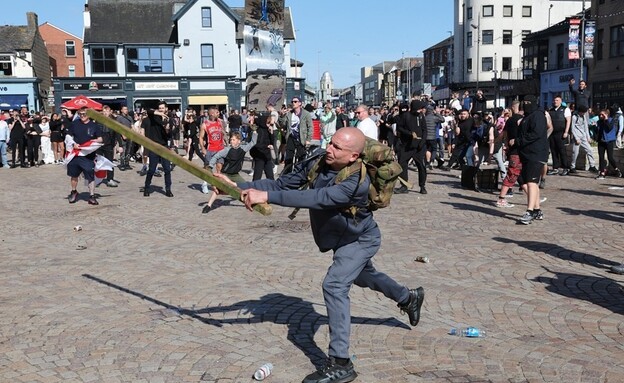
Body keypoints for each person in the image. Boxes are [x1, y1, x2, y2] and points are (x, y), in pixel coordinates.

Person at [218, 127, 424, 383]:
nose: (330, 148)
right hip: (340, 237)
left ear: (353, 156)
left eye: (338, 147)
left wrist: (267, 196)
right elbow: (282, 183)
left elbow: (316, 197)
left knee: (335, 285)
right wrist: (238, 186)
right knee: (364, 276)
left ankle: (341, 363)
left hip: (360, 239)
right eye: (331, 142)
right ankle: (408, 297)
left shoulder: (356, 183)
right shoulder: (319, 161)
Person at [514, 95, 549, 224]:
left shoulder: (538, 115)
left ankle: (529, 211)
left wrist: (518, 141)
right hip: (527, 153)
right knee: (526, 181)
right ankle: (537, 209)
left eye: (529, 102)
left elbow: (536, 133)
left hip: (536, 153)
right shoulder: (528, 116)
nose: (527, 104)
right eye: (525, 102)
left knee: (531, 182)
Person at [204, 130, 257, 212]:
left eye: (233, 140)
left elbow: (253, 142)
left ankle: (251, 203)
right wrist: (210, 165)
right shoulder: (227, 150)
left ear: (239, 141)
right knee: (218, 189)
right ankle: (208, 205)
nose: (231, 141)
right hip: (225, 174)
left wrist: (254, 132)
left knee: (246, 187)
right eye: (231, 139)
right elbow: (216, 156)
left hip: (235, 175)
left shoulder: (243, 148)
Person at [65, 108, 103, 205]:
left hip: (88, 156)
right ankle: (74, 192)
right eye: (80, 114)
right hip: (76, 154)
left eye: (84, 114)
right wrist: (73, 144)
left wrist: (93, 142)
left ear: (89, 115)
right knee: (74, 175)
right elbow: (68, 136)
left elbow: (100, 138)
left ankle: (91, 196)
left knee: (90, 176)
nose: (82, 115)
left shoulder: (94, 126)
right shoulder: (75, 124)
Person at [394, 100, 428, 194]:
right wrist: (409, 134)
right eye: (419, 108)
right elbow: (399, 128)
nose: (420, 110)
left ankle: (422, 186)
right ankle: (404, 185)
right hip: (407, 146)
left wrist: (422, 142)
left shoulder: (421, 116)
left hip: (419, 147)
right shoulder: (405, 116)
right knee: (402, 164)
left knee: (421, 166)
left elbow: (425, 130)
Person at [143, 101, 174, 197]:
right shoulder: (154, 117)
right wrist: (159, 113)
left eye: (162, 108)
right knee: (151, 169)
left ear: (166, 109)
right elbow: (148, 110)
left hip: (164, 146)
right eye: (159, 108)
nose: (161, 109)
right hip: (154, 146)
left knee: (167, 170)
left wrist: (167, 129)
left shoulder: (169, 119)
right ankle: (147, 187)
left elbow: (169, 136)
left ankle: (168, 189)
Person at [199, 106, 226, 194]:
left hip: (220, 148)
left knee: (219, 167)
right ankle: (205, 183)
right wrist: (203, 148)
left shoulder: (220, 122)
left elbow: (223, 132)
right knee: (208, 167)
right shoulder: (205, 124)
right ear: (211, 114)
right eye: (216, 112)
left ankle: (218, 185)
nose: (218, 114)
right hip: (210, 148)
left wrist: (226, 140)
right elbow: (201, 137)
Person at [284, 96, 313, 173]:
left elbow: (310, 127)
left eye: (295, 101)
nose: (293, 103)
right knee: (288, 157)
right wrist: (282, 116)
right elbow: (283, 125)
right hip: (291, 137)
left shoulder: (306, 114)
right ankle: (287, 174)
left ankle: (299, 173)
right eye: (292, 102)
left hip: (301, 138)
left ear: (300, 103)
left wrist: (308, 139)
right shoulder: (289, 114)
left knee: (301, 157)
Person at [569, 105, 598, 174]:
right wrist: (576, 138)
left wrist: (588, 137)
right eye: (583, 112)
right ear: (580, 112)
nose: (584, 113)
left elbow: (586, 127)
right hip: (577, 137)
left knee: (589, 150)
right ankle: (572, 167)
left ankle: (592, 165)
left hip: (583, 136)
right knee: (575, 152)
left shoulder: (584, 117)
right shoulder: (574, 117)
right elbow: (572, 128)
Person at [547, 96, 572, 176]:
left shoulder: (565, 109)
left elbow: (568, 121)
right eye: (554, 100)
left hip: (561, 133)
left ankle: (565, 168)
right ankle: (555, 168)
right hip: (552, 133)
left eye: (557, 100)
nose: (555, 102)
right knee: (554, 151)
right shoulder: (550, 110)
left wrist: (566, 132)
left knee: (562, 151)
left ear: (561, 101)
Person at [595, 108, 622, 179]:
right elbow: (598, 131)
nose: (600, 116)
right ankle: (602, 172)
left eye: (602, 115)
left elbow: (609, 128)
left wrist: (606, 119)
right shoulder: (599, 121)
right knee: (601, 157)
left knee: (610, 157)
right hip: (601, 141)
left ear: (606, 115)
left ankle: (616, 169)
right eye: (600, 114)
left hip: (609, 141)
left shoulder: (611, 120)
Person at [115, 106, 135, 171]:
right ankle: (122, 164)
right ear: (121, 110)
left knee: (128, 150)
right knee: (123, 150)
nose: (126, 110)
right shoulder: (119, 118)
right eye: (125, 109)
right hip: (122, 136)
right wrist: (122, 134)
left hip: (129, 136)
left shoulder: (129, 117)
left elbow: (132, 126)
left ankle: (127, 163)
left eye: (127, 109)